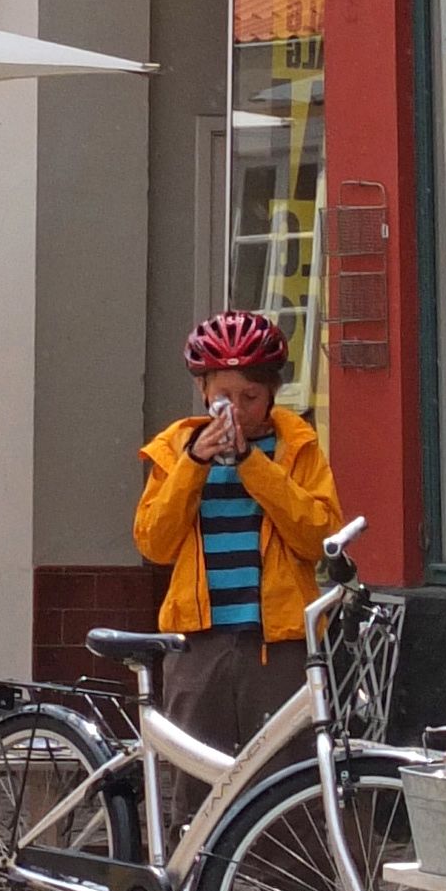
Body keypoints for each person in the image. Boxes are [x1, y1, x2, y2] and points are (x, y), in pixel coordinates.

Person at [133, 309, 344, 755]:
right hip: (198, 643)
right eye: (225, 396)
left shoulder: (298, 448)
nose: (239, 410)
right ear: (203, 390)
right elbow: (155, 543)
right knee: (198, 782)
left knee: (284, 780)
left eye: (250, 396)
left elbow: (318, 537)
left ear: (271, 395)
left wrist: (254, 466)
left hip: (279, 645)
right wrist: (193, 466)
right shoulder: (175, 452)